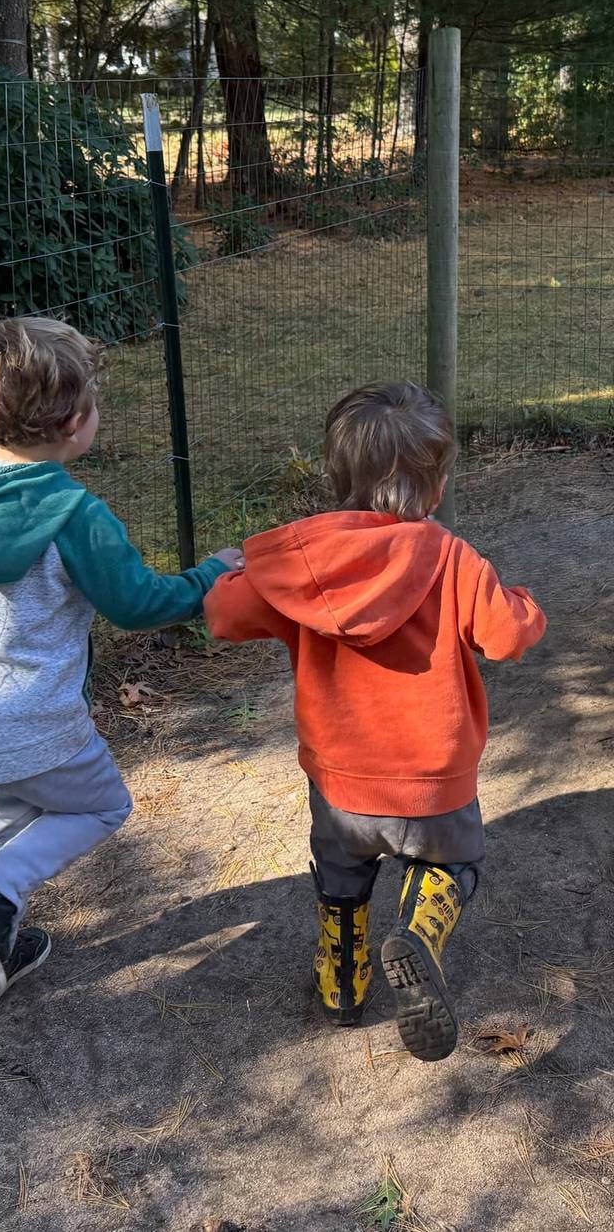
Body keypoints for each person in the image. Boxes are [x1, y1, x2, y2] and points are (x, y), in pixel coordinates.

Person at [0, 316, 242, 1013]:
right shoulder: (74, 513)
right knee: (103, 805)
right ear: (75, 422)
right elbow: (137, 603)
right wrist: (209, 578)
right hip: (38, 723)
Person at [204, 381, 545, 1061]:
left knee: (341, 880)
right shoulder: (453, 559)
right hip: (433, 779)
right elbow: (508, 637)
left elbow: (222, 616)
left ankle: (342, 981)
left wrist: (234, 574)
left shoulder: (304, 568)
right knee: (457, 865)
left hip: (341, 784)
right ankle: (420, 931)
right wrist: (523, 602)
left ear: (337, 479)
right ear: (438, 484)